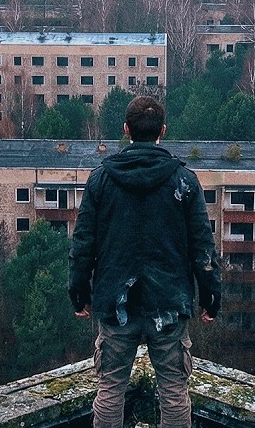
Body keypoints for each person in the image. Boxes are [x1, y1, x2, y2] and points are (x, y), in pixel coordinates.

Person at [69, 96, 221, 428]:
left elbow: (83, 244)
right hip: (168, 299)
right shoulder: (184, 181)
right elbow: (202, 247)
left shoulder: (101, 180)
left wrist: (78, 292)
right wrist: (211, 296)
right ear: (162, 131)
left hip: (115, 298)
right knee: (173, 389)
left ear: (126, 129)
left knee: (111, 388)